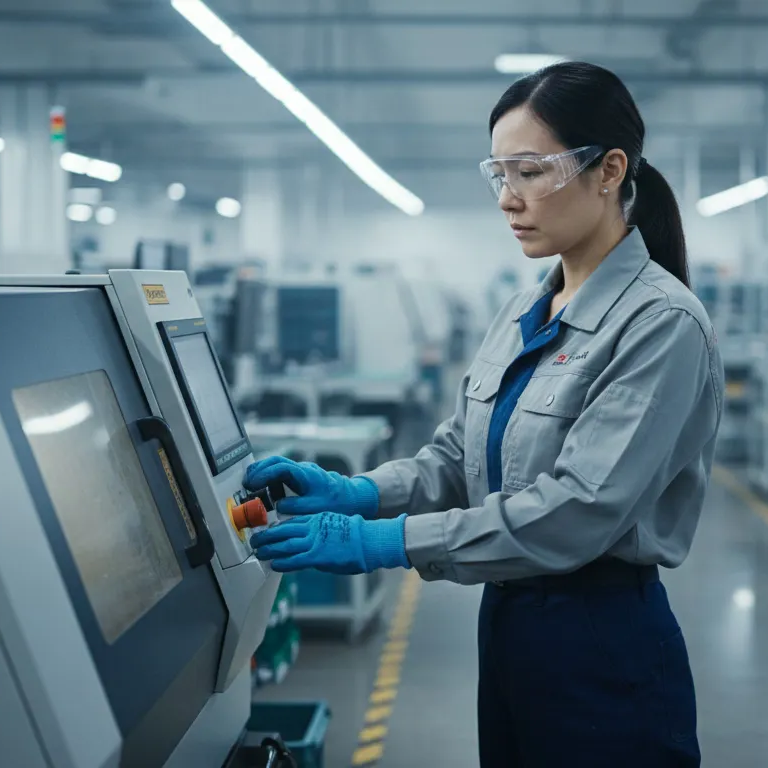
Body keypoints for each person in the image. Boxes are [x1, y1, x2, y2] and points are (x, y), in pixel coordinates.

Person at [245, 61, 724, 767]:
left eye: (530, 171)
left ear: (609, 169)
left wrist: (387, 542)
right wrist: (361, 492)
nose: (508, 198)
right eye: (499, 174)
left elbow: (577, 512)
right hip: (510, 624)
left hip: (599, 639)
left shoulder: (660, 323)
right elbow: (456, 454)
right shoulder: (527, 308)